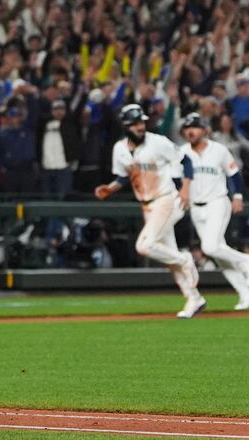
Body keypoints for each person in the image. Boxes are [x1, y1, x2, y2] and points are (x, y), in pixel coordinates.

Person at [94, 104, 204, 318]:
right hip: (147, 205)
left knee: (144, 246)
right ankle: (194, 299)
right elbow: (125, 176)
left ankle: (185, 259)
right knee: (168, 260)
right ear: (126, 126)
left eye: (142, 122)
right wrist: (110, 189)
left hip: (166, 200)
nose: (140, 126)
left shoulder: (158, 142)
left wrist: (185, 189)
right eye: (135, 123)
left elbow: (186, 160)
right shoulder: (120, 149)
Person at [178, 113, 249, 311]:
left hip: (217, 202)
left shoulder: (219, 150)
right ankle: (247, 293)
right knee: (219, 254)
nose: (191, 131)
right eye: (188, 128)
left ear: (204, 130)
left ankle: (244, 259)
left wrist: (238, 196)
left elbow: (234, 174)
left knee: (210, 248)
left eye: (195, 127)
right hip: (196, 208)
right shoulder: (181, 152)